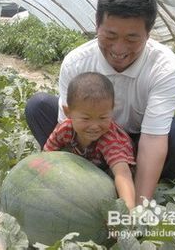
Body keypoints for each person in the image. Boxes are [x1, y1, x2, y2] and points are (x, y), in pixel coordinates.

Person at [25, 0, 175, 206]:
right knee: (38, 106)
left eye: (132, 38)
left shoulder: (165, 69)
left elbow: (153, 139)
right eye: (111, 36)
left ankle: (139, 183)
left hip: (136, 142)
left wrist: (138, 207)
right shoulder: (77, 62)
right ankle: (88, 179)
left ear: (148, 33)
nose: (119, 48)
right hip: (86, 139)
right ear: (97, 26)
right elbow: (66, 128)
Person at [44, 72, 135, 209]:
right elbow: (46, 154)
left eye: (103, 118)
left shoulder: (110, 139)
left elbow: (122, 173)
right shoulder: (64, 129)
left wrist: (128, 210)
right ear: (68, 112)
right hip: (87, 165)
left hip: (111, 170)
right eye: (86, 118)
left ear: (112, 110)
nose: (95, 126)